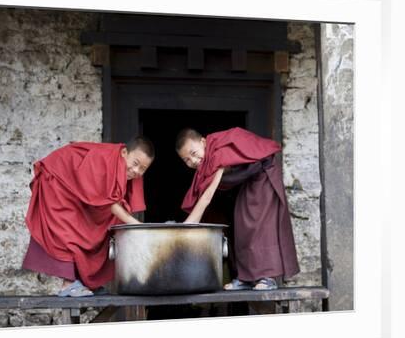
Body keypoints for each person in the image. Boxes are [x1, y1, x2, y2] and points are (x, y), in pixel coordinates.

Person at [22, 137, 154, 297]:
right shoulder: (105, 160)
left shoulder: (121, 164)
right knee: (66, 231)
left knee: (91, 227)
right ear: (125, 153)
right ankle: (68, 285)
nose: (136, 171)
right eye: (135, 163)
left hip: (73, 187)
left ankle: (85, 282)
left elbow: (110, 201)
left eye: (143, 169)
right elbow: (109, 203)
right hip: (56, 180)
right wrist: (135, 223)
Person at [175, 127, 299, 291]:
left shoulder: (218, 155)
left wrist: (188, 225)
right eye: (187, 160)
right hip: (250, 179)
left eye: (193, 153)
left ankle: (268, 277)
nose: (193, 161)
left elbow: (207, 194)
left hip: (264, 175)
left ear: (203, 142)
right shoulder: (208, 159)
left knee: (260, 225)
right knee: (241, 223)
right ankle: (246, 278)